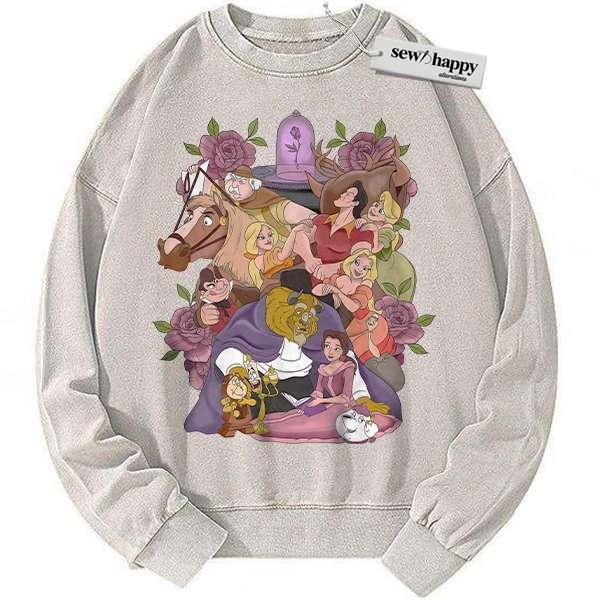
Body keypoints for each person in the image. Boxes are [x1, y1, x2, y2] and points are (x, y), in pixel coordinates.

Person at [312, 244, 378, 313]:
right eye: (357, 263)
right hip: (322, 304)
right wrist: (331, 289)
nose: (359, 269)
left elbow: (354, 307)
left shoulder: (365, 286)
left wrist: (337, 292)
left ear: (369, 271)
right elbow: (315, 290)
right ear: (351, 261)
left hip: (343, 313)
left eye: (365, 268)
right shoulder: (343, 274)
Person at [308, 331, 355, 409]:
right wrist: (313, 400)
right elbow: (318, 391)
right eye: (327, 346)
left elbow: (346, 398)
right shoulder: (323, 369)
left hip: (345, 406)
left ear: (343, 351)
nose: (330, 352)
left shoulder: (348, 368)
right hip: (328, 405)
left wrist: (322, 401)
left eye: (336, 349)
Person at [218, 368, 256, 437]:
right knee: (233, 416)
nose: (237, 387)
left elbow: (253, 402)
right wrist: (231, 407)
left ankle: (244, 425)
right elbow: (225, 409)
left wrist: (247, 401)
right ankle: (232, 427)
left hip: (246, 420)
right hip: (232, 422)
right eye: (234, 384)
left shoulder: (245, 398)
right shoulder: (228, 400)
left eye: (241, 386)